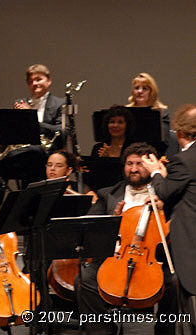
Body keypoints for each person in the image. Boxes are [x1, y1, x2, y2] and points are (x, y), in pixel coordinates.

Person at [75, 142, 176, 335]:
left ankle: (165, 330)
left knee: (174, 282)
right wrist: (113, 221)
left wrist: (164, 212)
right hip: (115, 257)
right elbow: (91, 228)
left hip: (154, 259)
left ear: (151, 166)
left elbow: (176, 228)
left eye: (140, 164)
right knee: (84, 279)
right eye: (129, 163)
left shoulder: (165, 195)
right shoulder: (107, 194)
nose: (134, 169)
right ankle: (102, 330)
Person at [142, 104, 196, 331]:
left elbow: (162, 193)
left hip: (189, 242)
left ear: (180, 133)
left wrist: (155, 172)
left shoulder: (184, 160)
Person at [125, 72, 178, 158]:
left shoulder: (161, 112)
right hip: (131, 156)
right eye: (137, 88)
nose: (140, 91)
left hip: (154, 155)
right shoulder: (126, 112)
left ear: (151, 92)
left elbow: (164, 141)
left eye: (145, 88)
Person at [14, 64, 65, 149]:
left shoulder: (60, 103)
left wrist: (31, 117)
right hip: (24, 148)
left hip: (48, 150)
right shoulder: (20, 103)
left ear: (49, 81)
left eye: (38, 79)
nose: (34, 83)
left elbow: (62, 132)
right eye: (30, 81)